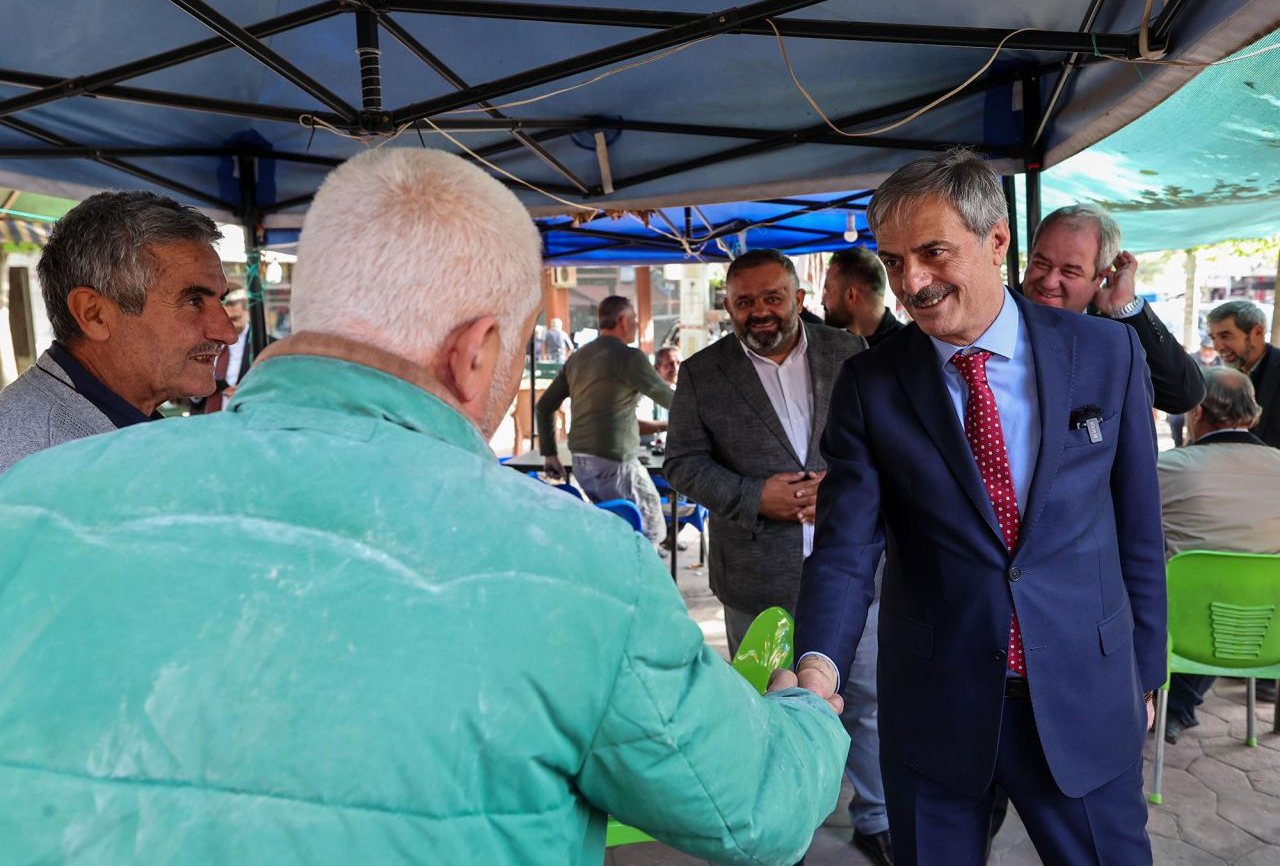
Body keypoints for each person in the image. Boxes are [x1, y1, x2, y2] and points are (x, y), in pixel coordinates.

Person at [0, 148, 849, 866]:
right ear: (476, 354)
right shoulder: (578, 566)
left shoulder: (29, 503)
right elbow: (753, 811)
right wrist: (809, 703)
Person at [790, 149, 1166, 864]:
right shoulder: (872, 386)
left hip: (1086, 692)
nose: (912, 283)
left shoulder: (1104, 353)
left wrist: (1144, 674)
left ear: (997, 241)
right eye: (894, 261)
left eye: (932, 253)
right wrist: (819, 668)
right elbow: (844, 551)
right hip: (937, 703)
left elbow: (1139, 531)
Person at [663, 250, 886, 862]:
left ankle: (877, 815)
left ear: (797, 295)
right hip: (757, 570)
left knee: (866, 695)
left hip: (853, 565)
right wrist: (754, 495)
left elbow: (883, 442)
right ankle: (781, 827)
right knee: (763, 704)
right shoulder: (703, 372)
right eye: (745, 301)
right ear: (728, 305)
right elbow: (680, 462)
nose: (760, 312)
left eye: (772, 297)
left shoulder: (848, 353)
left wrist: (840, 485)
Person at [0, 190, 234, 475]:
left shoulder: (95, 432)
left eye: (220, 300)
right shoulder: (31, 465)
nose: (227, 333)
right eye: (193, 301)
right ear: (94, 314)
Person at [1155, 366, 1280, 741]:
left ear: (1196, 413)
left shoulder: (1169, 468)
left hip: (1182, 629)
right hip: (1266, 634)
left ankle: (1161, 704)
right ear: (1252, 413)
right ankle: (1179, 706)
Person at [1022, 204, 1204, 414]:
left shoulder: (1110, 325)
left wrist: (1124, 308)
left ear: (1100, 276)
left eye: (1069, 272)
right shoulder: (996, 312)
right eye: (1041, 264)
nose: (1049, 282)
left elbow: (1182, 395)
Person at [536, 296, 674, 546]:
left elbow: (544, 407)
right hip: (616, 463)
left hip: (581, 464)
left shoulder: (578, 358)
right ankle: (639, 584)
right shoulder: (629, 357)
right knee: (649, 532)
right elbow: (671, 400)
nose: (635, 326)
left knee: (615, 531)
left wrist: (549, 454)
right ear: (622, 321)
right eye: (633, 320)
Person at [1207, 300, 1280, 449]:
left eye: (1225, 336)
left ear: (1257, 332)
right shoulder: (1223, 377)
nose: (1217, 347)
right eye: (1213, 337)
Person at [821, 246, 905, 348]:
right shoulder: (835, 345)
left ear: (851, 295)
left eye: (827, 291)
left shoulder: (910, 347)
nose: (823, 301)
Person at [194, 288, 252, 413]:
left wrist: (247, 395)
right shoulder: (202, 340)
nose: (230, 327)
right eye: (227, 320)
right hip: (204, 423)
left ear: (248, 313)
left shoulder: (267, 345)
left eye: (236, 319)